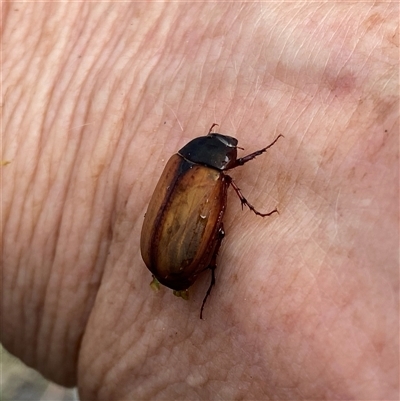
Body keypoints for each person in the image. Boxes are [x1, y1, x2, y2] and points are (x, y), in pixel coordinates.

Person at [2, 2, 398, 399]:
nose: (233, 148)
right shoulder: (215, 177)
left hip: (163, 256)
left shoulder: (187, 162)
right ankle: (209, 281)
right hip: (177, 260)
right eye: (229, 148)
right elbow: (230, 193)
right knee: (220, 229)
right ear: (218, 156)